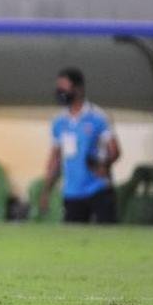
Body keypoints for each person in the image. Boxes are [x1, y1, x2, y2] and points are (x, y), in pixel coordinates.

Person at [40, 67, 121, 224]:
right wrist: (46, 190)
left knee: (108, 237)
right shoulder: (59, 122)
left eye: (64, 87)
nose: (60, 91)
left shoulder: (98, 117)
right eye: (59, 87)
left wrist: (104, 165)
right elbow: (55, 158)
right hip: (72, 192)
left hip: (98, 189)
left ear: (78, 89)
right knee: (73, 240)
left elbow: (115, 150)